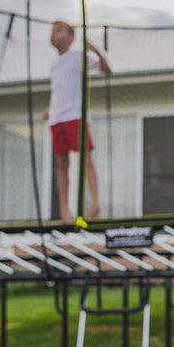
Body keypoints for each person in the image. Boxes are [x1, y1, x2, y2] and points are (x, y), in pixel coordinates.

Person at [46, 20, 112, 222]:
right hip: (57, 117)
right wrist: (50, 109)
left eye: (59, 30)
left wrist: (96, 50)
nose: (53, 34)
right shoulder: (54, 65)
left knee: (85, 158)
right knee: (61, 163)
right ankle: (65, 210)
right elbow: (59, 91)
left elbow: (106, 69)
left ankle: (94, 203)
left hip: (75, 115)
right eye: (53, 31)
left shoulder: (78, 57)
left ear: (71, 37)